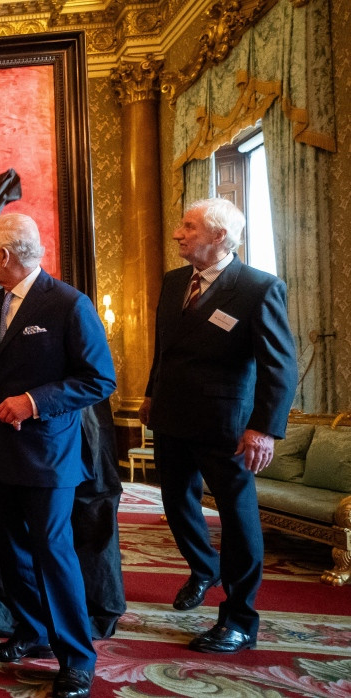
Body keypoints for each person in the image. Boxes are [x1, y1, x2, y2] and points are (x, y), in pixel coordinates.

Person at [0, 213, 115, 698]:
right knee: (12, 552)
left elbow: (99, 380)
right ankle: (31, 632)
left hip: (48, 456)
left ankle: (77, 659)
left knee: (53, 555)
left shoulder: (68, 305)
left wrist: (33, 402)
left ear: (6, 256)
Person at [140, 197, 297, 654]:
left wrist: (264, 428)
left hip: (226, 427)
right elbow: (165, 346)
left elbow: (279, 366)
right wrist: (152, 392)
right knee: (175, 502)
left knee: (238, 518)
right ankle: (203, 567)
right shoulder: (173, 282)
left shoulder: (258, 288)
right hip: (171, 417)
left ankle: (241, 619)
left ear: (218, 236)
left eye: (188, 227)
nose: (177, 234)